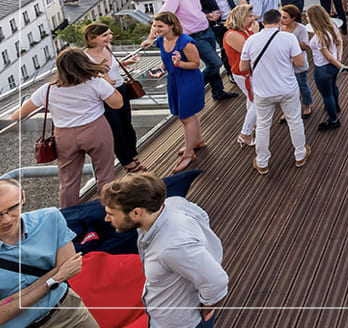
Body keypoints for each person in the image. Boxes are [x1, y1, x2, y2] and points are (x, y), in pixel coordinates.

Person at [101, 172, 229, 328]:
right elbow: (202, 216)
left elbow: (217, 282)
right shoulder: (173, 203)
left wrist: (206, 311)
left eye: (111, 214)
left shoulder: (171, 247)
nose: (106, 219)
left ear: (136, 212)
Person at [12, 48, 121, 208]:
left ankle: (69, 218)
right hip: (95, 130)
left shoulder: (47, 89)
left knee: (68, 182)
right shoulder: (96, 83)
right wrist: (105, 79)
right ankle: (108, 211)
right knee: (105, 174)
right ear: (84, 64)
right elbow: (117, 103)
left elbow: (17, 115)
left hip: (65, 136)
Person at [0, 178, 96, 328]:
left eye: (13, 208)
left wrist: (13, 300)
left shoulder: (50, 218)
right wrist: (54, 278)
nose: (6, 220)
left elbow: (71, 268)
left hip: (70, 314)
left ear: (23, 197)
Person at [145, 0, 235, 101]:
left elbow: (194, 13)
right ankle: (194, 88)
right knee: (215, 63)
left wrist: (208, 16)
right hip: (195, 37)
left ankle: (218, 91)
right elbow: (159, 18)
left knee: (212, 63)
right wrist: (150, 38)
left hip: (207, 31)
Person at [240, 9, 310, 174]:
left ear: (263, 23)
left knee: (263, 125)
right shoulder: (289, 38)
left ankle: (263, 162)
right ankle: (300, 154)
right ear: (279, 23)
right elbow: (300, 63)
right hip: (287, 88)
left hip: (263, 91)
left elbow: (243, 67)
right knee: (294, 121)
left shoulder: (251, 40)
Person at [83, 23, 144, 173]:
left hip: (120, 90)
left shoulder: (108, 49)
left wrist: (125, 62)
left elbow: (112, 67)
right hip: (104, 95)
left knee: (127, 125)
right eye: (105, 35)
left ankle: (132, 155)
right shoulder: (85, 56)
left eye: (109, 33)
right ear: (92, 38)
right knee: (116, 129)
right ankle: (127, 162)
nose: (110, 37)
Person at [150, 11, 206, 173]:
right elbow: (165, 59)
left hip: (189, 81)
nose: (156, 29)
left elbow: (196, 64)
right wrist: (162, 69)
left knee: (186, 117)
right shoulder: (161, 40)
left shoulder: (186, 42)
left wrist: (179, 63)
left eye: (160, 26)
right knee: (189, 115)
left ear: (171, 26)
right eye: (154, 26)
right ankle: (197, 141)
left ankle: (189, 153)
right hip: (174, 80)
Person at [306, 4, 346, 131]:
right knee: (333, 86)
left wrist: (340, 65)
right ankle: (336, 106)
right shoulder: (332, 26)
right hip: (333, 66)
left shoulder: (319, 37)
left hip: (322, 69)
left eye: (307, 16)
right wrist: (339, 58)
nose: (306, 18)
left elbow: (327, 56)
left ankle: (333, 120)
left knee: (326, 95)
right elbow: (339, 42)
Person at [222, 4, 257, 147]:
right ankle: (245, 133)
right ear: (240, 18)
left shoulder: (244, 31)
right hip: (244, 74)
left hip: (249, 73)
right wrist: (256, 34)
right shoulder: (232, 35)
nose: (253, 19)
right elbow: (251, 53)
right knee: (258, 102)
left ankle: (252, 125)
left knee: (252, 100)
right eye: (249, 16)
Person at [196, 0, 241, 72]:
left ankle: (240, 68)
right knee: (225, 49)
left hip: (234, 21)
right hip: (218, 25)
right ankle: (230, 72)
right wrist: (210, 14)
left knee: (239, 45)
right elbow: (200, 9)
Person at [280, 5, 314, 119]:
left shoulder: (301, 29)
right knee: (285, 88)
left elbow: (306, 46)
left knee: (302, 85)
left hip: (298, 63)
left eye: (285, 18)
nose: (282, 20)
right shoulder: (280, 27)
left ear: (293, 18)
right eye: (281, 17)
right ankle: (287, 110)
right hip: (285, 64)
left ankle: (307, 106)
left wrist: (291, 42)